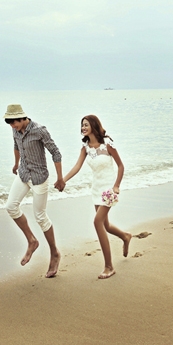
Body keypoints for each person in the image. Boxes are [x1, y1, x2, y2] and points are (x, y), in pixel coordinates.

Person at [61, 114, 131, 279]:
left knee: (97, 222)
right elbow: (77, 167)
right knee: (105, 225)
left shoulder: (107, 144)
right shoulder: (85, 148)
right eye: (82, 125)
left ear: (93, 125)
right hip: (96, 190)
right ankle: (125, 236)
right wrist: (63, 180)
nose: (83, 128)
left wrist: (116, 186)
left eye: (86, 124)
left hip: (109, 190)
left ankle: (109, 266)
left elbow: (121, 166)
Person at [4, 104, 64, 278]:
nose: (12, 126)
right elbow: (16, 146)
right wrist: (16, 164)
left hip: (39, 177)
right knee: (11, 207)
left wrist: (60, 178)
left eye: (14, 123)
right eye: (10, 124)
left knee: (40, 217)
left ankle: (54, 253)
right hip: (23, 173)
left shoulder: (39, 131)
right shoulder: (15, 130)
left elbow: (56, 153)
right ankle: (32, 240)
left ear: (23, 118)